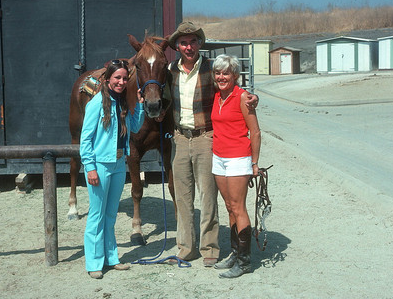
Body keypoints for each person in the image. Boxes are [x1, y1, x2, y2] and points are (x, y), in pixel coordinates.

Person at [163, 22, 258, 267]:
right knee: (183, 197)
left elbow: (231, 87)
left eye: (193, 41)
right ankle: (185, 248)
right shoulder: (169, 70)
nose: (188, 46)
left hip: (206, 138)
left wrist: (252, 96)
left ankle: (210, 249)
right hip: (180, 138)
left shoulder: (210, 69)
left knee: (208, 196)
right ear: (177, 46)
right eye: (183, 42)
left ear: (199, 44)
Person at [80, 60, 145, 279]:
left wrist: (141, 105)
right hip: (100, 164)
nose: (121, 81)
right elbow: (85, 139)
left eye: (125, 78)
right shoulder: (97, 103)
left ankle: (112, 258)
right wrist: (90, 168)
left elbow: (134, 127)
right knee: (97, 215)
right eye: (117, 77)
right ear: (107, 79)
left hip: (118, 164)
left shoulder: (123, 103)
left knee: (110, 215)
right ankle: (94, 262)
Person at [211, 54, 261, 278]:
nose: (222, 77)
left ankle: (245, 262)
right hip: (219, 158)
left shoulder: (243, 97)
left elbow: (256, 132)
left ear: (235, 75)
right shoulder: (216, 96)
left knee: (239, 208)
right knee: (229, 206)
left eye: (226, 73)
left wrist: (255, 162)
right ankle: (234, 253)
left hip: (238, 159)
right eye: (218, 73)